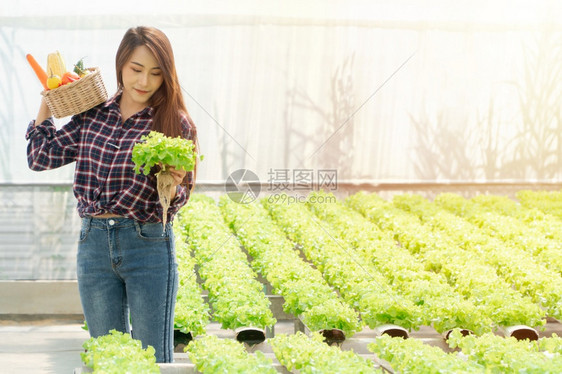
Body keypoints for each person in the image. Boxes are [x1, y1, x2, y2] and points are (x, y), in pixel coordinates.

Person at [25, 26, 198, 363]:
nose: (144, 81)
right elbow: (40, 157)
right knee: (108, 358)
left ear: (167, 76)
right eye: (136, 69)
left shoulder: (175, 124)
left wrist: (173, 184)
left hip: (147, 245)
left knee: (154, 360)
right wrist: (48, 98)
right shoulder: (93, 113)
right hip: (93, 246)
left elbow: (179, 199)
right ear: (120, 64)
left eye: (155, 73)